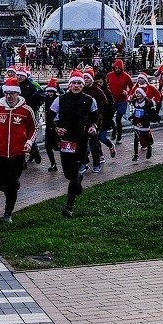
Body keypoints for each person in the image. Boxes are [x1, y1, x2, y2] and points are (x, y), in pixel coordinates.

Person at [0, 77, 37, 224]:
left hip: (17, 153)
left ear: (17, 94)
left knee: (12, 184)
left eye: (12, 93)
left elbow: (33, 128)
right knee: (2, 184)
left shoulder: (26, 110)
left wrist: (29, 142)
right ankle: (1, 179)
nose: (9, 96)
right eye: (6, 93)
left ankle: (8, 213)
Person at [50, 71, 98, 218]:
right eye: (74, 83)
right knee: (68, 174)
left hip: (82, 139)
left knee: (74, 171)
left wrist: (93, 126)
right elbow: (50, 116)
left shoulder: (90, 100)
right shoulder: (61, 99)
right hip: (66, 140)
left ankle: (69, 206)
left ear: (83, 85)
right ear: (69, 85)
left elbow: (95, 116)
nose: (76, 86)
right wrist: (57, 128)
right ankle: (78, 179)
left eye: (79, 83)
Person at [82, 69, 112, 173]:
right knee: (83, 143)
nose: (85, 80)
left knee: (93, 143)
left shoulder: (98, 90)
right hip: (82, 120)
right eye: (84, 78)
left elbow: (105, 103)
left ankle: (96, 163)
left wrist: (93, 107)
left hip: (94, 119)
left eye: (87, 78)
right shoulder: (81, 89)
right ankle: (84, 163)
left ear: (91, 79)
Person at [106, 59, 133, 143]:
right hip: (112, 101)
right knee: (109, 118)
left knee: (118, 119)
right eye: (116, 68)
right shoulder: (109, 75)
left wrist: (127, 92)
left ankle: (119, 136)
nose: (117, 70)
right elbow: (105, 84)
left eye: (119, 68)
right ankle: (114, 131)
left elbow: (133, 87)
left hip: (122, 101)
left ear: (122, 68)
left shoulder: (126, 76)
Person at [128, 87, 157, 161]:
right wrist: (132, 116)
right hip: (136, 122)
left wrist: (146, 116)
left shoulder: (148, 103)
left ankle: (149, 148)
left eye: (139, 93)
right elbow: (129, 101)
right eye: (136, 92)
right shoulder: (135, 102)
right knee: (136, 138)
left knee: (145, 137)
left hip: (145, 122)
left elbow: (153, 113)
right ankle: (136, 155)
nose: (137, 94)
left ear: (143, 94)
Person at [41, 78, 61, 173]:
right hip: (49, 125)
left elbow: (63, 94)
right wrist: (44, 88)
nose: (50, 93)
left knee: (58, 147)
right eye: (48, 92)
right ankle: (53, 164)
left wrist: (57, 87)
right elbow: (35, 95)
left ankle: (70, 161)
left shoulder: (58, 99)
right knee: (48, 146)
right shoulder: (45, 98)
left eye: (52, 92)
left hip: (57, 124)